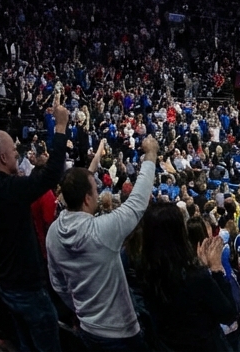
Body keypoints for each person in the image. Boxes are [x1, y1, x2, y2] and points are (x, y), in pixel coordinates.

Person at [46, 136, 159, 350]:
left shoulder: (53, 233)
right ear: (87, 199)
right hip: (121, 333)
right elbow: (137, 202)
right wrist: (151, 154)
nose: (98, 194)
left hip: (87, 328)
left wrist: (80, 309)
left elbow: (58, 284)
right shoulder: (102, 231)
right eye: (95, 191)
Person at [0, 95, 70, 352]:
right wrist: (60, 127)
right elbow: (52, 174)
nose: (18, 156)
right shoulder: (9, 188)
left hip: (6, 285)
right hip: (27, 288)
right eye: (15, 153)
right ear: (4, 158)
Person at [136, 203, 238, 351]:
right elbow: (228, 314)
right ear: (179, 231)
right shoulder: (194, 276)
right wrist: (215, 269)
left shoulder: (143, 269)